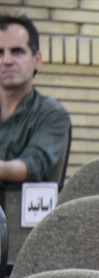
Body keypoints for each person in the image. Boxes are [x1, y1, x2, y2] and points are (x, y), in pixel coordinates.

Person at [0, 13, 70, 185]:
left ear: (37, 60)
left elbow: (32, 166)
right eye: (0, 53)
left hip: (21, 202)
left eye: (17, 51)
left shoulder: (53, 114)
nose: (6, 61)